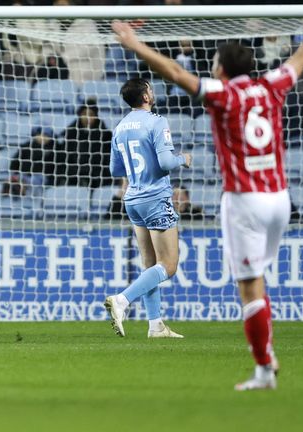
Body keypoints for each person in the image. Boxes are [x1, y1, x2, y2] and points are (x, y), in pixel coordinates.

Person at [112, 18, 303, 391]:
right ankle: (155, 323)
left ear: (221, 70)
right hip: (279, 197)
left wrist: (135, 45)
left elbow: (178, 72)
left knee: (248, 287)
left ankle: (263, 368)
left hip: (241, 199)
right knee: (254, 280)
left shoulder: (221, 95)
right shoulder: (273, 86)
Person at [103, 78, 191, 341]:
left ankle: (155, 325)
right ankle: (122, 299)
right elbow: (165, 162)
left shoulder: (120, 128)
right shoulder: (156, 121)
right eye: (150, 89)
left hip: (133, 199)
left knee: (150, 265)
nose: (153, 93)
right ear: (145, 96)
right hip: (155, 196)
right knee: (169, 265)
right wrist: (182, 159)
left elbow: (115, 170)